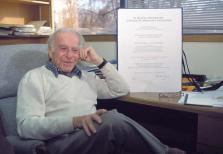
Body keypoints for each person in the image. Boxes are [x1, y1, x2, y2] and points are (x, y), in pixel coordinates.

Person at [16, 28, 185, 154]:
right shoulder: (34, 78)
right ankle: (167, 152)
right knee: (111, 119)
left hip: (91, 136)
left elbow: (120, 89)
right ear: (50, 51)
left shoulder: (86, 77)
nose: (69, 55)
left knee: (117, 126)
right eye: (63, 48)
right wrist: (75, 121)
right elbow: (26, 127)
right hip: (59, 144)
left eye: (75, 50)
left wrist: (98, 61)